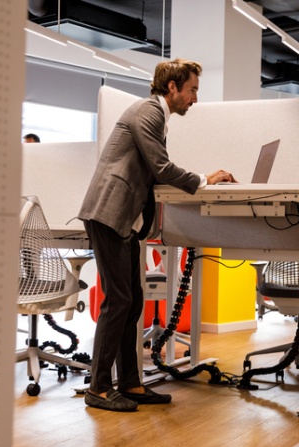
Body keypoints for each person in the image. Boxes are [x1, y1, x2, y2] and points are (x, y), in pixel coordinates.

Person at [78, 58, 235, 412]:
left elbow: (155, 170)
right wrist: (204, 179)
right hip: (108, 212)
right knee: (118, 301)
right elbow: (160, 167)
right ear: (172, 88)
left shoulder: (156, 116)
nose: (195, 98)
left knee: (131, 301)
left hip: (124, 219)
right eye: (192, 89)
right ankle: (98, 388)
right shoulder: (148, 112)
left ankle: (131, 383)